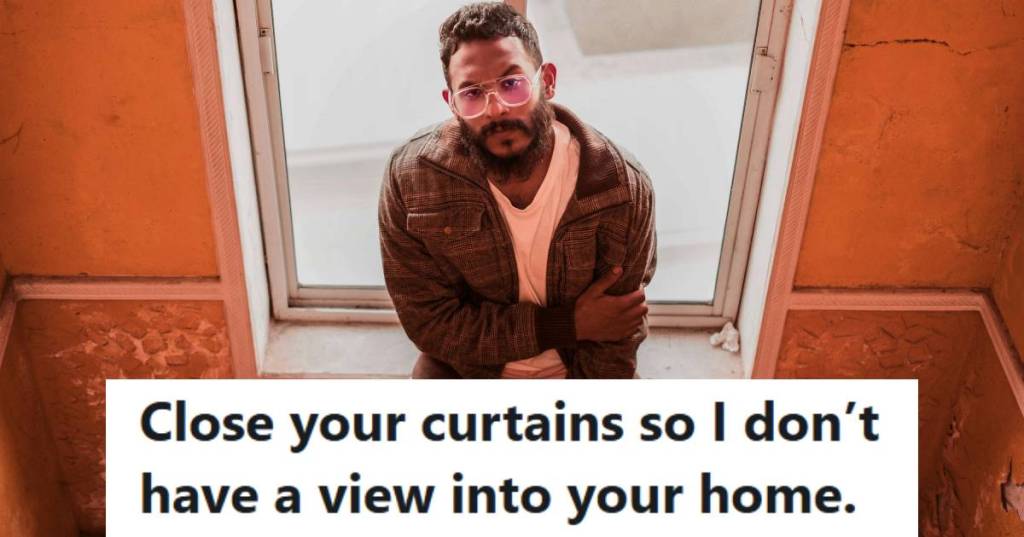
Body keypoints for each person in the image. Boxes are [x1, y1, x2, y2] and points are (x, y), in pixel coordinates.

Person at [378, 2, 656, 379]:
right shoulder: (412, 180)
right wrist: (565, 325)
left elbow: (617, 336)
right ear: (453, 105)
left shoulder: (619, 186)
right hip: (464, 374)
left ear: (549, 81)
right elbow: (431, 325)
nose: (496, 110)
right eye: (473, 93)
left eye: (512, 84)